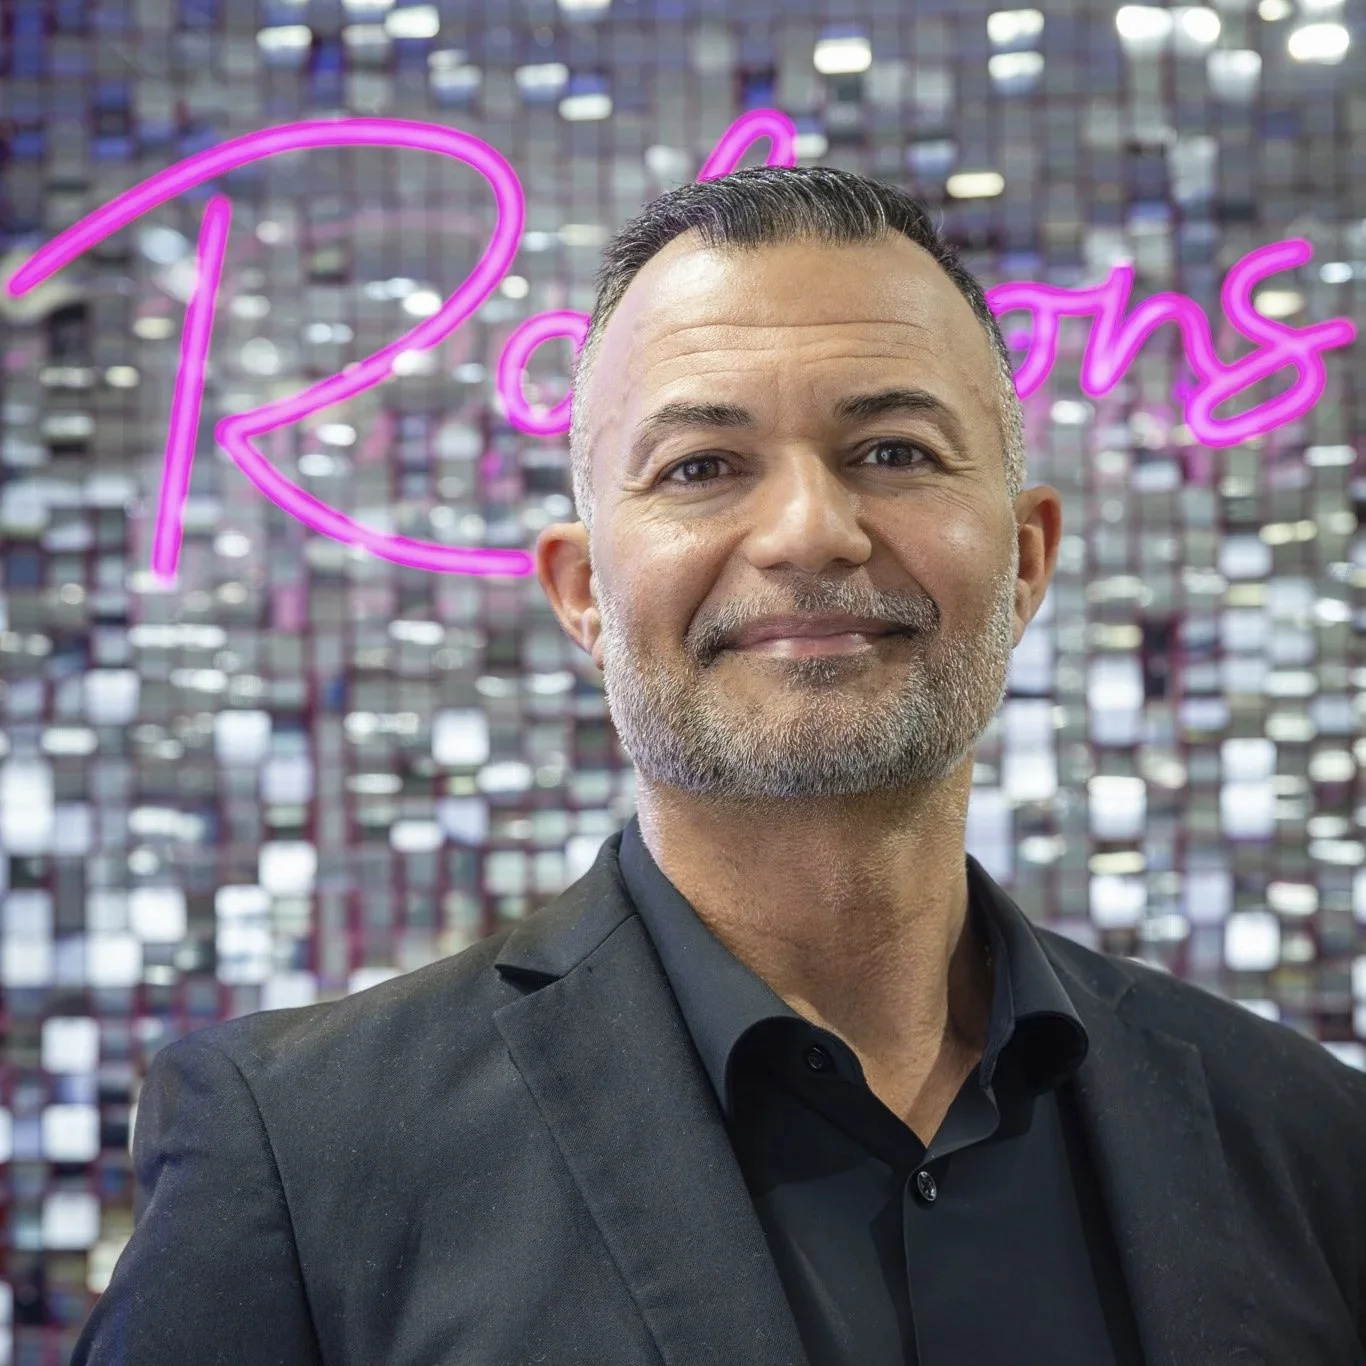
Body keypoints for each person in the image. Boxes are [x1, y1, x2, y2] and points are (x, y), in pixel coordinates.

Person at [75, 167, 1366, 1366]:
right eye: (702, 466)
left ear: (1025, 560)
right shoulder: (303, 1158)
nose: (808, 526)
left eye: (893, 452)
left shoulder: (1310, 1148)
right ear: (582, 594)